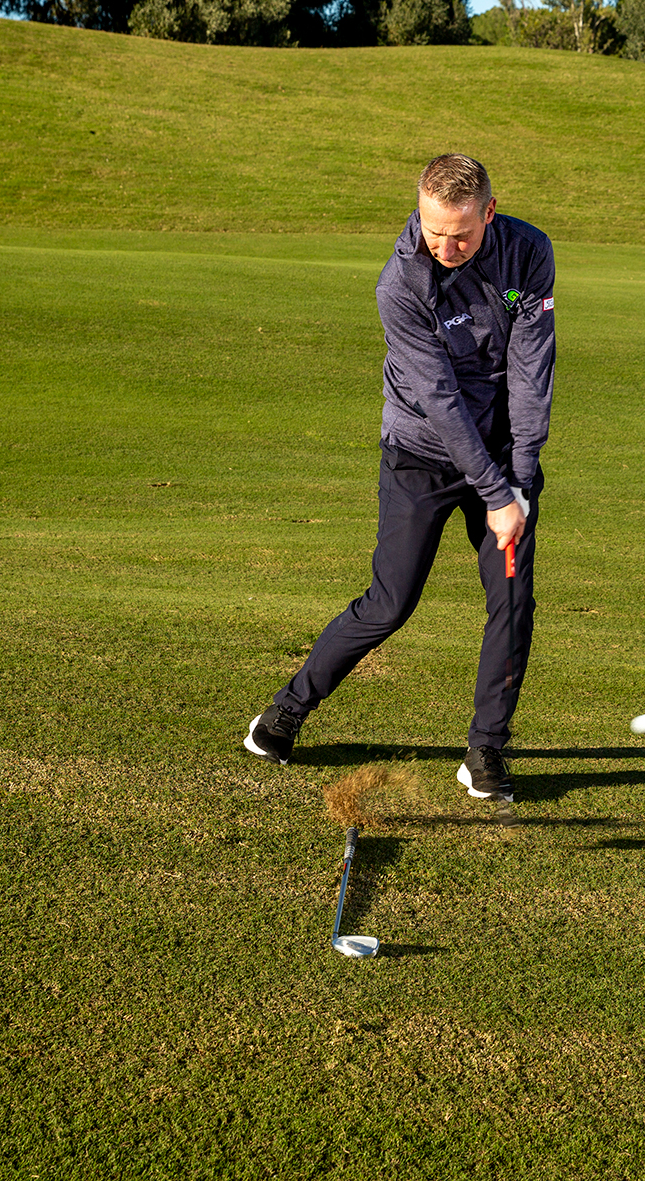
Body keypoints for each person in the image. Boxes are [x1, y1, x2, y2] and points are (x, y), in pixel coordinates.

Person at [245, 153, 556, 803]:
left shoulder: (528, 253)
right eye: (432, 228)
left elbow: (532, 371)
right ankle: (284, 712)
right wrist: (498, 495)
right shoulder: (401, 283)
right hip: (419, 451)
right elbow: (441, 402)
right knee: (390, 601)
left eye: (461, 234)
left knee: (512, 598)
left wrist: (518, 482)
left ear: (489, 213)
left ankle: (486, 749)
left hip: (500, 454)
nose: (444, 245)